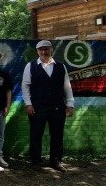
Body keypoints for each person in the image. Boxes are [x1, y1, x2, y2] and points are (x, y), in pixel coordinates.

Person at [22, 40, 75, 172]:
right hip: (37, 106)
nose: (43, 52)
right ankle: (35, 161)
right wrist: (28, 103)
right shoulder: (31, 66)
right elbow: (25, 86)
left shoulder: (60, 66)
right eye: (41, 49)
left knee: (57, 134)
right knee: (36, 134)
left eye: (46, 49)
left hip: (57, 106)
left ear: (51, 49)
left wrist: (70, 103)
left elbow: (67, 86)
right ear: (37, 51)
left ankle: (56, 161)